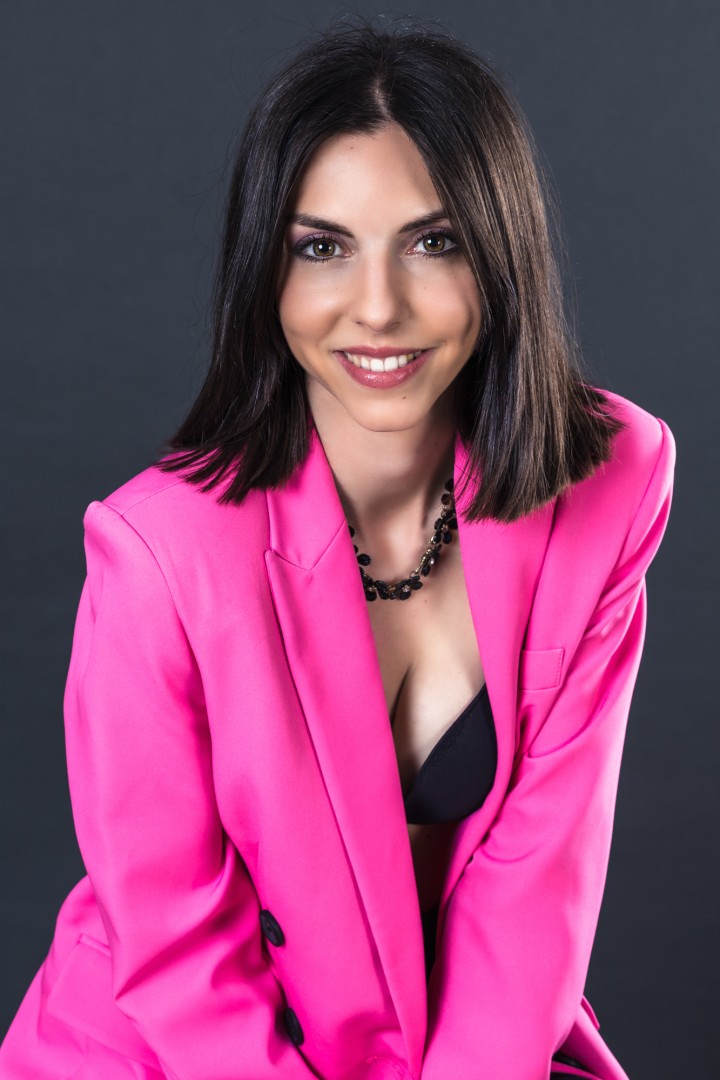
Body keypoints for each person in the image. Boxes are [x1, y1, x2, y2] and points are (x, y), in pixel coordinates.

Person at [0, 18, 676, 1080]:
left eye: (433, 242)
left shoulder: (608, 481)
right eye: (322, 248)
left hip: (443, 1042)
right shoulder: (158, 553)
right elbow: (181, 956)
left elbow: (534, 890)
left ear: (501, 253)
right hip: (171, 1052)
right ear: (266, 272)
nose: (378, 307)